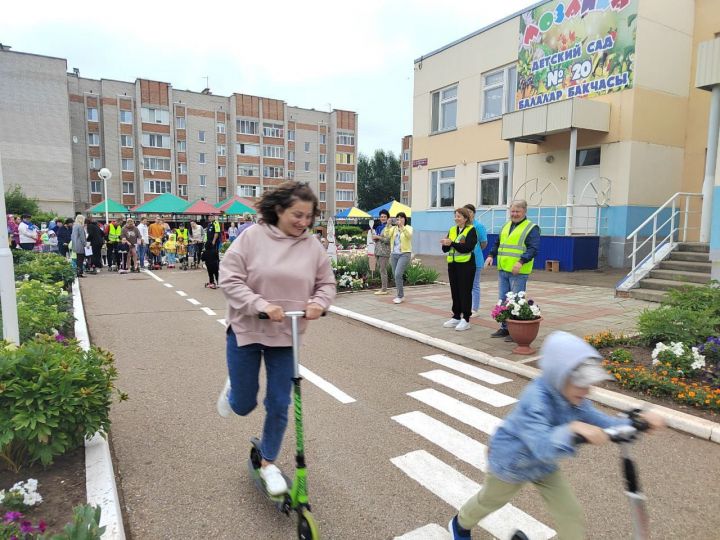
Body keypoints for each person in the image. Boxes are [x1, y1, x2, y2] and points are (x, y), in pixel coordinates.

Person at [448, 331, 665, 540]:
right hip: (512, 462)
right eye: (580, 382)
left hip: (543, 466)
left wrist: (637, 422)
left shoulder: (576, 399)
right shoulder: (535, 399)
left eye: (589, 382)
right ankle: (460, 524)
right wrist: (572, 429)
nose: (587, 389)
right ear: (558, 375)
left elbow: (604, 423)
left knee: (569, 512)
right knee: (490, 501)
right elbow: (541, 444)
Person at [216, 180, 336, 496]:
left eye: (309, 216)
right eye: (297, 215)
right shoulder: (251, 238)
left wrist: (317, 303)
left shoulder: (313, 247)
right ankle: (234, 390)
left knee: (280, 404)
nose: (304, 222)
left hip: (287, 336)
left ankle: (268, 463)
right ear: (279, 210)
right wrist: (261, 305)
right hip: (248, 330)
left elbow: (327, 284)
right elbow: (229, 279)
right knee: (243, 405)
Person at [485, 200, 540, 341]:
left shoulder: (531, 228)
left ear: (524, 212)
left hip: (518, 272)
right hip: (503, 269)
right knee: (503, 300)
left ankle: (515, 331)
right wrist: (491, 255)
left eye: (517, 211)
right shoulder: (506, 225)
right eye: (512, 211)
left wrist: (521, 261)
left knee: (516, 301)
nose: (514, 214)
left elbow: (533, 249)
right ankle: (505, 328)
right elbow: (498, 243)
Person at [441, 207, 478, 331]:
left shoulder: (471, 230)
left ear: (465, 218)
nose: (456, 218)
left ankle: (466, 319)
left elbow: (467, 248)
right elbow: (445, 249)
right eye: (455, 216)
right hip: (453, 265)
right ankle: (456, 316)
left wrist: (451, 243)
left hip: (466, 265)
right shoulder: (452, 229)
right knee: (455, 291)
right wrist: (445, 244)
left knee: (465, 292)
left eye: (459, 216)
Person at [463, 204, 489, 317]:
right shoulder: (463, 226)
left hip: (476, 260)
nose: (468, 214)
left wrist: (475, 249)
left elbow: (484, 243)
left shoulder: (478, 226)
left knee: (474, 285)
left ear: (474, 213)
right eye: (465, 212)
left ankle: (475, 309)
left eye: (470, 211)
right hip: (463, 260)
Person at [384, 211, 413, 304]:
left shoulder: (409, 228)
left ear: (405, 219)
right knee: (396, 276)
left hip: (405, 253)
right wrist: (388, 225)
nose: (399, 220)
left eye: (401, 218)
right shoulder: (394, 229)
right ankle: (401, 295)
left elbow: (409, 236)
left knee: (397, 274)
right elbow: (386, 235)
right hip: (394, 254)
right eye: (398, 218)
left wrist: (402, 227)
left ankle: (400, 296)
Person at [372, 209, 391, 295]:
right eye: (381, 217)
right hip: (378, 250)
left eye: (384, 217)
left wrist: (378, 237)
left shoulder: (389, 227)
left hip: (384, 252)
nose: (383, 218)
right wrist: (375, 238)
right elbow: (379, 240)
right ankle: (383, 288)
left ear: (388, 218)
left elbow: (388, 240)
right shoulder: (379, 227)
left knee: (383, 270)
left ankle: (384, 289)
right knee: (381, 270)